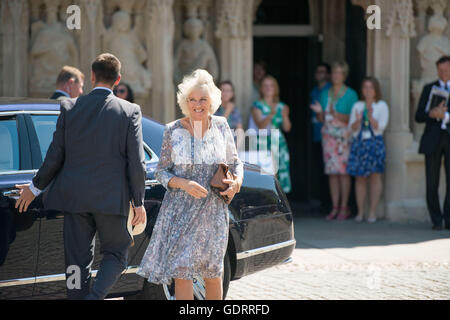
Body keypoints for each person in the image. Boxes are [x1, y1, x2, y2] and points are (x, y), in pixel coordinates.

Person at [14, 53, 147, 299]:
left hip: (75, 199)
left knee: (76, 262)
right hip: (111, 200)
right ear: (118, 80)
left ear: (93, 76)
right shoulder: (130, 110)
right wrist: (138, 201)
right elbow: (137, 162)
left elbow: (55, 155)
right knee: (117, 255)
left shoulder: (70, 107)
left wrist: (33, 188)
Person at [137, 69, 244, 300]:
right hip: (180, 213)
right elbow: (162, 172)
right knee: (182, 271)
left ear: (212, 101)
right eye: (192, 99)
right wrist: (184, 183)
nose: (198, 104)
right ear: (185, 102)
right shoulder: (172, 130)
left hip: (213, 213)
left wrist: (235, 184)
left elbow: (236, 163)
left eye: (203, 99)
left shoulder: (221, 125)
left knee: (213, 272)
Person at [310, 61, 358, 220]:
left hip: (344, 138)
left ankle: (344, 207)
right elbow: (322, 117)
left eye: (339, 73)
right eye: (334, 72)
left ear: (344, 75)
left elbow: (353, 117)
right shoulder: (325, 94)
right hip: (329, 137)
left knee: (343, 173)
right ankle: (335, 207)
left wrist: (334, 113)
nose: (336, 76)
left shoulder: (351, 94)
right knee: (332, 173)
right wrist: (319, 113)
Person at [347, 77, 389, 223]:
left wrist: (370, 116)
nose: (368, 90)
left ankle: (372, 212)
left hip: (375, 143)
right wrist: (358, 120)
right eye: (365, 87)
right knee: (360, 177)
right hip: (360, 143)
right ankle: (360, 212)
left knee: (375, 177)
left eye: (371, 87)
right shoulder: (357, 105)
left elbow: (381, 127)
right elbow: (351, 128)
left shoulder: (381, 105)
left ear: (376, 90)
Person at [415, 55, 450, 231]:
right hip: (433, 139)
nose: (443, 73)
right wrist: (432, 114)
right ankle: (436, 220)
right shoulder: (429, 89)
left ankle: (449, 219)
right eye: (440, 70)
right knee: (432, 182)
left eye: (446, 70)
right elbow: (418, 115)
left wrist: (446, 116)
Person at [252, 75, 292, 193]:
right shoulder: (257, 105)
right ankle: (269, 202)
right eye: (265, 86)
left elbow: (287, 127)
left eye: (271, 85)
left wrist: (284, 116)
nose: (268, 88)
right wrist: (270, 114)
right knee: (267, 173)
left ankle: (279, 205)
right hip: (264, 142)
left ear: (275, 88)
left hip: (278, 141)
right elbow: (260, 125)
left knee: (280, 172)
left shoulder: (282, 106)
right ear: (261, 89)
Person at [310, 63, 332, 206]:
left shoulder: (330, 91)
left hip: (331, 136)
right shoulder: (313, 91)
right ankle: (322, 201)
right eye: (318, 71)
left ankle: (329, 203)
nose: (320, 74)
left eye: (323, 71)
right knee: (319, 169)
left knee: (329, 171)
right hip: (317, 134)